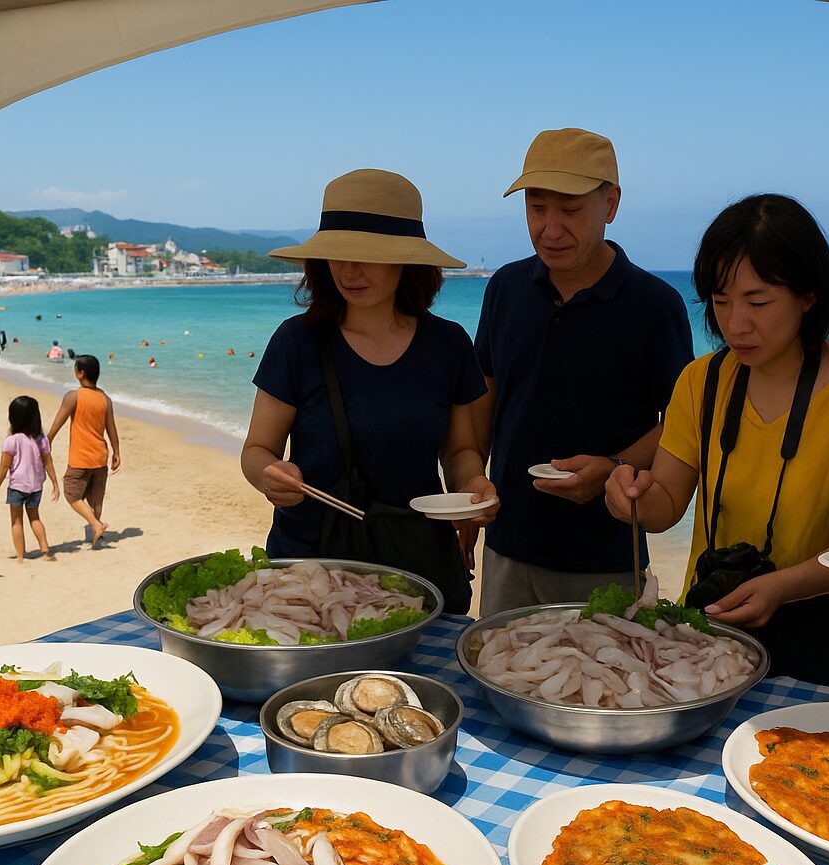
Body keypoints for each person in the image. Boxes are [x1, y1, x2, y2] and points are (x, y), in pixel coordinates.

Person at [605, 195, 829, 689]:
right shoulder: (700, 380)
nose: (735, 324)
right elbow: (663, 506)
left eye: (758, 301)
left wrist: (780, 589)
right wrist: (627, 495)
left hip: (825, 644)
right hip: (708, 638)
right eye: (720, 302)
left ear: (809, 295)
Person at [243, 169, 495, 613]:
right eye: (337, 254)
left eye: (368, 255)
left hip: (415, 568)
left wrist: (473, 486)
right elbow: (258, 449)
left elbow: (459, 451)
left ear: (407, 260)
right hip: (308, 571)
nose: (349, 269)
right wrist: (270, 475)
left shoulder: (449, 344)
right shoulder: (296, 341)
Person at [470, 128, 693, 614]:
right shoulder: (505, 289)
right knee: (500, 677)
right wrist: (470, 483)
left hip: (608, 553)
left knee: (607, 688)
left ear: (610, 204)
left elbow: (684, 422)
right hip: (508, 543)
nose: (550, 229)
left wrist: (612, 467)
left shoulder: (655, 305)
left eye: (569, 210)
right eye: (536, 208)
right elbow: (484, 395)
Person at [48, 354, 120, 548]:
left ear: (81, 373)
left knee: (72, 493)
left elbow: (59, 421)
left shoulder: (73, 396)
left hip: (80, 457)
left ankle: (96, 525)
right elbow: (111, 428)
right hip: (100, 456)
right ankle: (98, 539)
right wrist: (116, 451)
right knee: (96, 499)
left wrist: (48, 440)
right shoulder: (105, 399)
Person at [0, 395, 60, 562]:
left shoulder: (11, 441)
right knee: (34, 517)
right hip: (36, 486)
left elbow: (4, 466)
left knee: (16, 521)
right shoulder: (41, 439)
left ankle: (21, 556)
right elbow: (48, 462)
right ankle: (45, 550)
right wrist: (55, 483)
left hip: (17, 486)